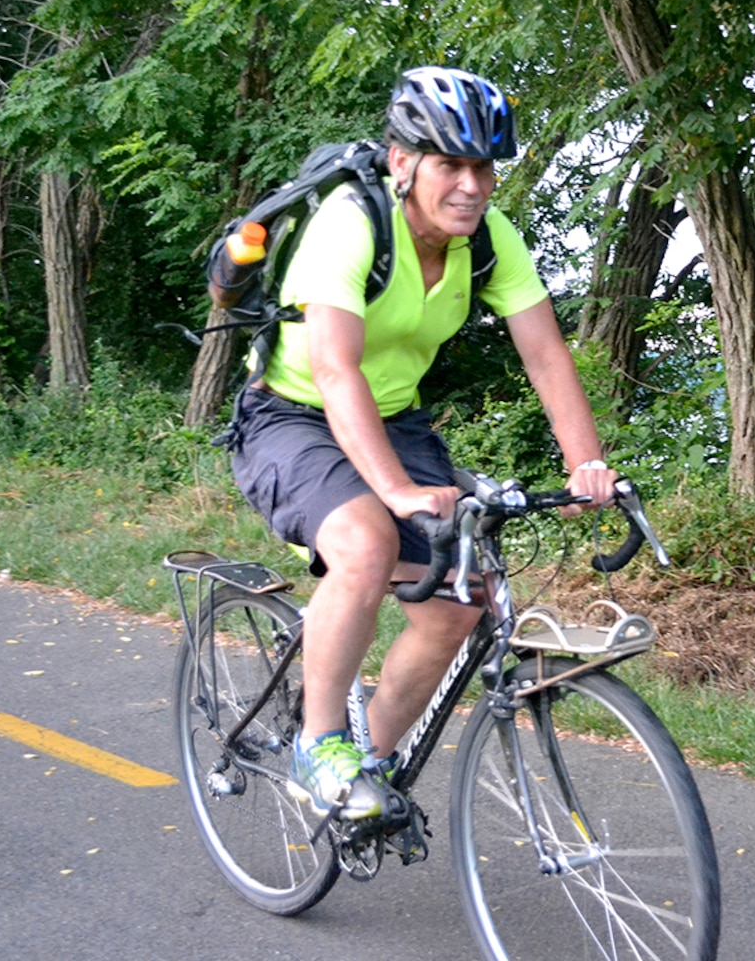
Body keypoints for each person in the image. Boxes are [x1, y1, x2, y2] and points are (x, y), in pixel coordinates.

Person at [228, 66, 617, 819]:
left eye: (484, 167)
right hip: (290, 414)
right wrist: (398, 492)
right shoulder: (349, 225)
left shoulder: (491, 240)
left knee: (461, 599)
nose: (471, 185)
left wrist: (585, 462)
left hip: (394, 419)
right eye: (451, 165)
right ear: (402, 161)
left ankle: (366, 769)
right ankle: (319, 746)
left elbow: (545, 355)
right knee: (367, 545)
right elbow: (336, 372)